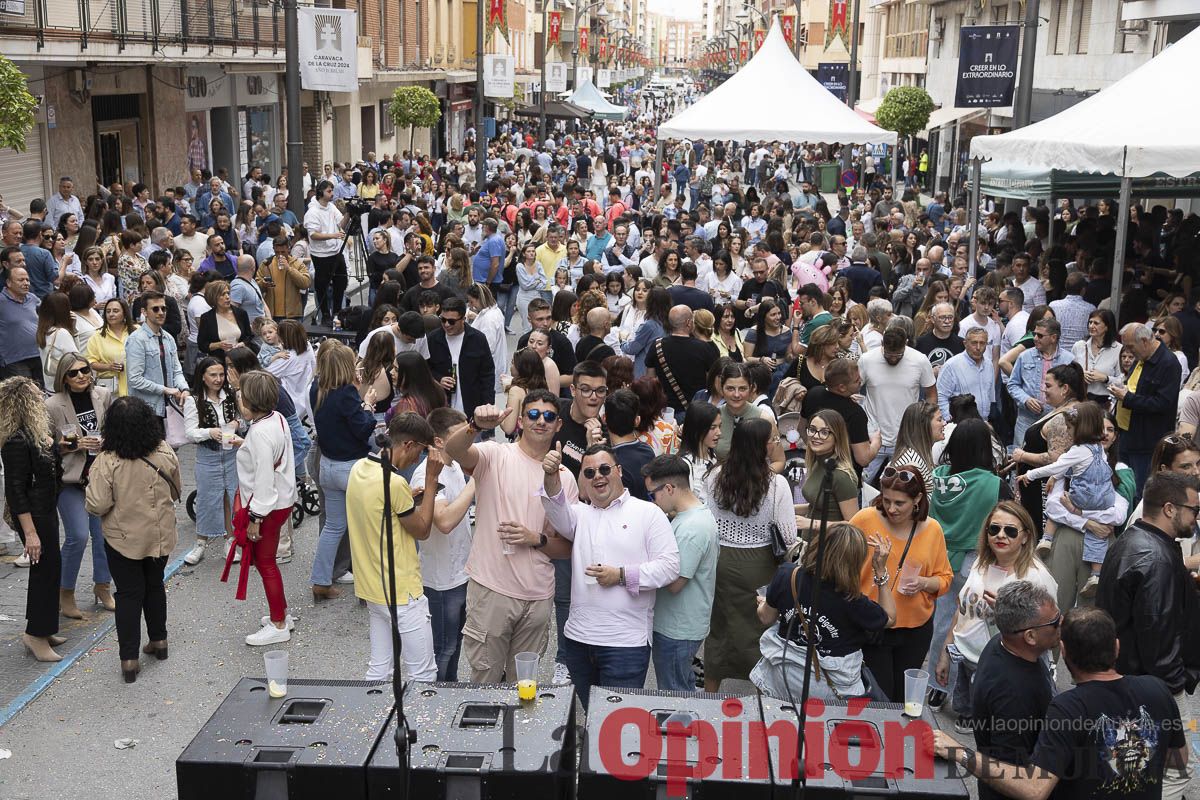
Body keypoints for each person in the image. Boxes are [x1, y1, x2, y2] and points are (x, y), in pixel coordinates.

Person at [933, 606, 1187, 800]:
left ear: (1063, 652)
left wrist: (958, 751)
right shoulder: (1157, 689)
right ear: (1117, 647)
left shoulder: (1067, 709)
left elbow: (1034, 789)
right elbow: (1178, 760)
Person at [443, 394, 578, 683]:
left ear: (558, 426)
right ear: (520, 421)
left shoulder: (564, 477)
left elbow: (567, 547)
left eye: (549, 416)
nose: (541, 420)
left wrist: (535, 538)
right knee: (485, 680)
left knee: (523, 686)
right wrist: (473, 426)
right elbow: (453, 450)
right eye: (533, 414)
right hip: (492, 590)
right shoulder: (496, 455)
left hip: (537, 598)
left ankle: (516, 730)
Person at [540, 441, 679, 708]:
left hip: (625, 643)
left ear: (619, 471)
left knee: (618, 721)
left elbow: (670, 567)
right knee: (592, 714)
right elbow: (555, 508)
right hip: (578, 640)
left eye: (604, 469)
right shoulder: (580, 515)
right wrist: (550, 475)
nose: (598, 477)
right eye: (589, 473)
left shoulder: (647, 513)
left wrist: (621, 575)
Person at [934, 502, 1057, 730]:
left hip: (1006, 670)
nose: (1001, 535)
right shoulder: (981, 563)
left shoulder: (1036, 578)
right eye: (994, 529)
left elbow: (1049, 634)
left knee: (1000, 731)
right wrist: (945, 650)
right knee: (971, 715)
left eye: (1010, 531)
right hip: (967, 659)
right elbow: (963, 608)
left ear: (1025, 537)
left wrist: (1008, 613)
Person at [84, 395, 180, 681]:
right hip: (160, 535)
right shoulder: (163, 451)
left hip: (122, 538)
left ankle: (129, 659)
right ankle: (159, 641)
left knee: (127, 594)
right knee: (154, 585)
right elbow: (176, 490)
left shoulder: (107, 461)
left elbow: (97, 504)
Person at [345, 412, 441, 680]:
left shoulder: (359, 469)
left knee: (379, 670)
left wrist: (406, 498)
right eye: (420, 452)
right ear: (408, 445)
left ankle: (372, 721)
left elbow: (377, 508)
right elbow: (422, 530)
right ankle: (417, 722)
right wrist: (432, 481)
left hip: (372, 589)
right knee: (423, 675)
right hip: (403, 593)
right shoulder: (395, 483)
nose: (418, 460)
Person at [751, 522, 895, 700]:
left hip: (783, 677)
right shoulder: (853, 600)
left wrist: (765, 602)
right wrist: (881, 572)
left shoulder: (788, 575)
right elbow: (889, 618)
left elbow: (765, 617)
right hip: (829, 687)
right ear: (855, 562)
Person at [703, 417, 796, 690]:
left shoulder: (715, 476)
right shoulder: (777, 485)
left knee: (719, 627)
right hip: (760, 564)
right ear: (761, 446)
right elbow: (789, 536)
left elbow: (708, 518)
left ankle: (711, 689)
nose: (776, 444)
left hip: (721, 560)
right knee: (760, 628)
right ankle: (759, 691)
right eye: (773, 440)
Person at [851, 467, 953, 701]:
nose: (891, 508)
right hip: (874, 626)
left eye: (900, 503)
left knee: (904, 701)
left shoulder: (932, 530)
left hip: (915, 629)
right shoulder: (865, 519)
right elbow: (841, 564)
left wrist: (923, 582)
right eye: (886, 500)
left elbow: (945, 579)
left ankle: (900, 739)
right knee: (880, 698)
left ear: (917, 499)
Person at [1098, 472, 1200, 701]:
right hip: (1157, 691)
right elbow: (1158, 634)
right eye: (1194, 510)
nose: (1196, 517)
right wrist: (1176, 685)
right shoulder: (1157, 560)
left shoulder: (1131, 539)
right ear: (1170, 509)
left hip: (1133, 683)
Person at [962, 580, 1060, 800]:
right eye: (1055, 622)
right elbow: (1011, 773)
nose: (1061, 624)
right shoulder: (1014, 694)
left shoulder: (1002, 642)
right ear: (1030, 637)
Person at [1, 377, 66, 661]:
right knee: (43, 572)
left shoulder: (34, 432)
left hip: (46, 508)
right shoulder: (16, 440)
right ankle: (34, 634)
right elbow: (15, 490)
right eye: (36, 395)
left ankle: (46, 627)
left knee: (51, 569)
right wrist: (29, 533)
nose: (42, 397)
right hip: (35, 515)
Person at [642, 454, 718, 692]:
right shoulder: (693, 517)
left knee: (674, 694)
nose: (652, 501)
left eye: (652, 495)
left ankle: (681, 730)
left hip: (676, 629)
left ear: (669, 488)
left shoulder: (690, 529)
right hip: (684, 625)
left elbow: (674, 583)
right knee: (683, 686)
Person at [46, 355, 114, 619]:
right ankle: (66, 593)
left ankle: (103, 586)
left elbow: (113, 429)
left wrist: (105, 441)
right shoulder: (52, 405)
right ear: (64, 377)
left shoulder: (103, 395)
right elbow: (45, 445)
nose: (81, 376)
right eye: (73, 373)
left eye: (84, 370)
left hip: (99, 477)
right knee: (78, 536)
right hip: (70, 479)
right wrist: (69, 446)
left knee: (104, 534)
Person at [235, 371, 298, 646]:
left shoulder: (260, 432)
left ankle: (279, 622)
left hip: (267, 507)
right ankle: (281, 613)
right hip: (282, 500)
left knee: (265, 562)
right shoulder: (277, 418)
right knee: (268, 562)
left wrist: (255, 518)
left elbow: (262, 479)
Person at [309, 342, 377, 600]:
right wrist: (367, 404)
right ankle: (367, 586)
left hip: (328, 464)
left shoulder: (317, 388)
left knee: (334, 526)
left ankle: (321, 580)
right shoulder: (346, 393)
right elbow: (363, 428)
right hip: (352, 467)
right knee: (365, 527)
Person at [413, 408, 475, 681]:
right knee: (444, 648)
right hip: (440, 582)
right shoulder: (425, 475)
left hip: (460, 574)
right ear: (439, 442)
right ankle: (436, 701)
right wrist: (476, 484)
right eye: (460, 435)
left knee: (456, 644)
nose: (467, 440)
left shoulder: (454, 465)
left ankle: (451, 692)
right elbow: (444, 522)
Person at [181, 357, 243, 566]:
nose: (218, 379)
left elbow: (243, 418)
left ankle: (230, 540)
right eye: (213, 375)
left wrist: (236, 423)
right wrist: (210, 432)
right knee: (207, 499)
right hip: (208, 456)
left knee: (230, 497)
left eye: (221, 374)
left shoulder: (231, 395)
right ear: (203, 377)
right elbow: (189, 433)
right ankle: (200, 543)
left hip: (231, 454)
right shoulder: (194, 400)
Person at [859, 328, 937, 482]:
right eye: (889, 354)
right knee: (862, 484)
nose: (893, 359)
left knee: (904, 486)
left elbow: (931, 395)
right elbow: (853, 389)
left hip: (907, 439)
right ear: (882, 343)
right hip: (873, 436)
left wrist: (924, 425)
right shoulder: (866, 360)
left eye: (898, 355)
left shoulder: (919, 360)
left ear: (906, 344)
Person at [1112, 322, 1182, 494]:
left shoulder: (1169, 363)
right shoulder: (1141, 358)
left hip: (1147, 442)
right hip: (1126, 434)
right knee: (1122, 488)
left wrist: (1127, 398)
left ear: (1144, 341)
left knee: (1139, 491)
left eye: (1130, 346)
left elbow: (1162, 404)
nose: (1128, 351)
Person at [1007, 317, 1074, 449]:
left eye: (1040, 335)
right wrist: (1025, 399)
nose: (1035, 338)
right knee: (1020, 458)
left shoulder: (1069, 360)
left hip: (1057, 420)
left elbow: (1074, 391)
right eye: (1034, 334)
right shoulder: (1024, 356)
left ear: (1053, 338)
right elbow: (1012, 384)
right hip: (1027, 419)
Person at [124, 291, 190, 419]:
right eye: (155, 309)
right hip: (146, 409)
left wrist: (185, 389)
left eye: (164, 308)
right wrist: (164, 389)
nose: (161, 312)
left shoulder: (169, 338)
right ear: (144, 312)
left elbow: (177, 371)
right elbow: (134, 379)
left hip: (170, 407)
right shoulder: (136, 339)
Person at [642, 305, 719, 415]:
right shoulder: (704, 348)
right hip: (698, 411)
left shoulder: (657, 345)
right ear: (688, 322)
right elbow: (712, 383)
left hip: (667, 411)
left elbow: (650, 381)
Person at [426, 296, 494, 419]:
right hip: (442, 410)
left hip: (472, 409)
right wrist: (438, 379)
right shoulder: (433, 339)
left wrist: (488, 404)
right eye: (443, 320)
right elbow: (425, 369)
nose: (446, 324)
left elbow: (487, 374)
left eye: (451, 321)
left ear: (463, 319)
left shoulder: (478, 339)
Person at [795, 410, 861, 535]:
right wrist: (788, 509)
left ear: (837, 437)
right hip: (809, 546)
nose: (815, 436)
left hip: (829, 549)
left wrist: (811, 523)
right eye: (812, 429)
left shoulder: (841, 475)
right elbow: (818, 506)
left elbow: (852, 524)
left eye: (824, 432)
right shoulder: (817, 463)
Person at [304, 180, 350, 326]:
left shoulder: (331, 207)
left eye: (332, 191)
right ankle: (325, 313)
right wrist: (333, 235)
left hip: (335, 251)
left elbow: (341, 224)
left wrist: (349, 213)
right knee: (322, 284)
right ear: (320, 192)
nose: (332, 194)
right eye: (329, 191)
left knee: (342, 280)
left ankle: (337, 310)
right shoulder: (312, 212)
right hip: (321, 254)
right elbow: (313, 235)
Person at [935, 328, 994, 421]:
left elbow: (989, 395)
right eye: (974, 343)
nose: (978, 347)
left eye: (982, 343)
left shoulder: (989, 364)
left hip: (984, 422)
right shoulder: (951, 365)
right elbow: (941, 397)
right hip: (961, 424)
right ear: (965, 343)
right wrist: (950, 421)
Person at [889, 401, 945, 492]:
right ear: (923, 426)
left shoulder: (922, 453)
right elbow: (909, 502)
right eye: (939, 420)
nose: (944, 423)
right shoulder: (911, 462)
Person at [197, 280, 258, 365]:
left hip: (241, 360)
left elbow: (249, 336)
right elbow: (202, 345)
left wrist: (243, 343)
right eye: (223, 294)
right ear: (214, 297)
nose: (227, 297)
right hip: (219, 362)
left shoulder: (241, 313)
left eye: (228, 293)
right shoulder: (207, 318)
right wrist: (219, 345)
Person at [85, 298, 134, 396]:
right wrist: (108, 366)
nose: (111, 314)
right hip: (111, 390)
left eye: (115, 311)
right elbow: (90, 363)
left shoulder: (136, 332)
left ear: (125, 313)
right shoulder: (97, 336)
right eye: (108, 311)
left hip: (134, 387)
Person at [1074, 308, 1121, 405]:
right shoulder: (1079, 346)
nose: (1091, 326)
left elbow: (1123, 381)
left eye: (1096, 323)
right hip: (1081, 402)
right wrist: (1080, 375)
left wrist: (1106, 378)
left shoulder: (1118, 349)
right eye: (1090, 322)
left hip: (1105, 403)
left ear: (1107, 327)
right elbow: (1070, 373)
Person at [36, 291, 78, 391]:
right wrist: (74, 331)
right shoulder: (62, 333)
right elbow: (77, 359)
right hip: (64, 389)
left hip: (50, 387)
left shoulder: (43, 331)